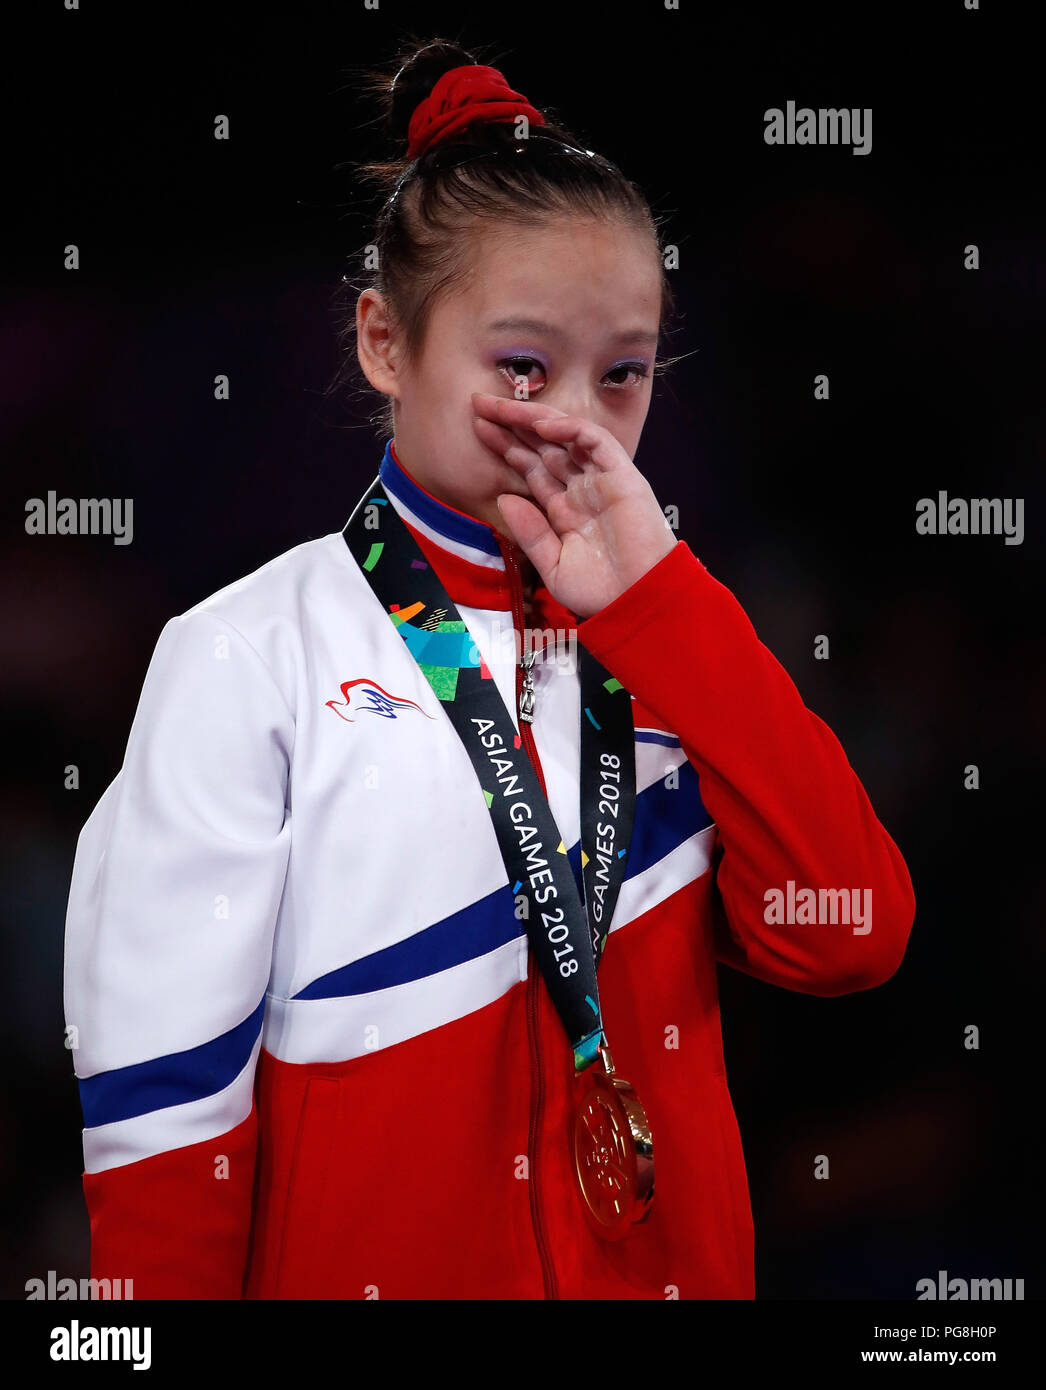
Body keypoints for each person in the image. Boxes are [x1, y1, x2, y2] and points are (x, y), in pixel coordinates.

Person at [63, 36, 916, 1300]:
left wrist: (662, 606)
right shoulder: (248, 656)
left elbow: (851, 934)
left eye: (622, 372)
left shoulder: (669, 638)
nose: (574, 417)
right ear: (383, 343)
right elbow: (169, 1115)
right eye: (522, 366)